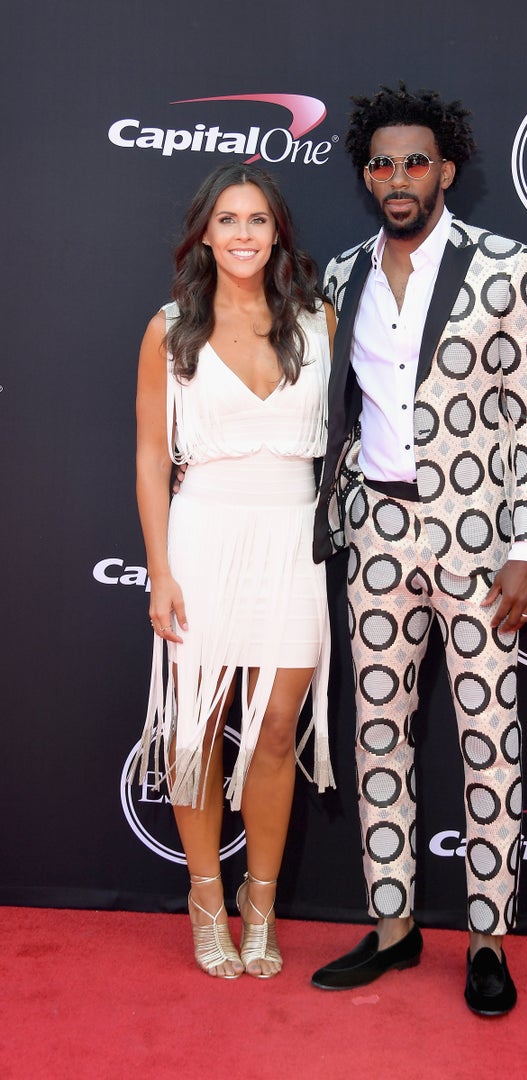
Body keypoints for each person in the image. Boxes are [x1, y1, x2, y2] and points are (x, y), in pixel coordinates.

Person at [311, 84, 527, 1015]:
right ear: (367, 176)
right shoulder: (341, 277)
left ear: (446, 168)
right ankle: (394, 927)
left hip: (480, 542)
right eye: (383, 163)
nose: (399, 176)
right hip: (376, 536)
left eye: (416, 160)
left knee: (489, 740)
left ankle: (488, 938)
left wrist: (526, 546)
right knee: (380, 736)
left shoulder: (509, 266)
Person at [134, 162, 335, 980]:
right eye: (228, 220)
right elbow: (151, 455)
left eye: (257, 219)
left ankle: (262, 906)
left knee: (278, 728)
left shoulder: (317, 319)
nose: (244, 234)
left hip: (292, 535)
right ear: (205, 234)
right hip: (204, 536)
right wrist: (159, 569)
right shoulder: (171, 326)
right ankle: (206, 900)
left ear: (277, 230)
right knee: (195, 734)